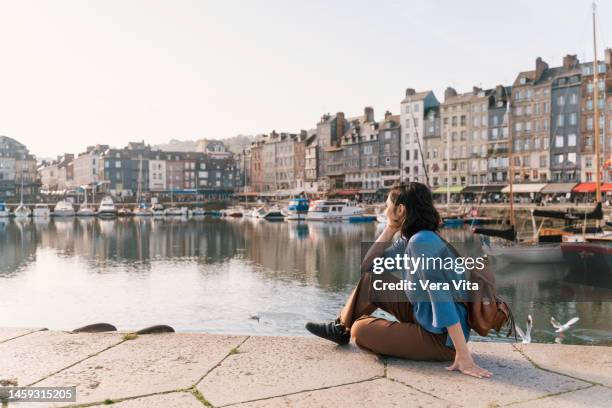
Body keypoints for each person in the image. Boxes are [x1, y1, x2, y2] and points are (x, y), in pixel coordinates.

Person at [305, 182, 492, 379]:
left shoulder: (421, 243)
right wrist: (389, 230)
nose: (385, 210)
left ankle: (350, 328)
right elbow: (369, 267)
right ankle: (341, 327)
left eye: (387, 205)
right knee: (374, 279)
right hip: (425, 316)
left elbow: (441, 295)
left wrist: (463, 354)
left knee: (360, 330)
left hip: (440, 338)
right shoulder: (411, 239)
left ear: (400, 209)